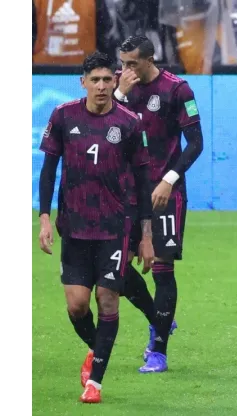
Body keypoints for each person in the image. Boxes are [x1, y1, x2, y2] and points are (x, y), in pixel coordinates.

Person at [37, 51, 154, 403]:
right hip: (73, 227)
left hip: (114, 228)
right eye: (96, 80)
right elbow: (48, 171)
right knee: (76, 307)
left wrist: (145, 236)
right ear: (83, 82)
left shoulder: (130, 123)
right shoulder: (62, 116)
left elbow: (144, 181)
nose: (102, 86)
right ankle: (97, 351)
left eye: (108, 79)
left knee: (107, 300)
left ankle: (96, 383)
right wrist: (44, 217)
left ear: (115, 81)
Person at [115, 35, 205, 373]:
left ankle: (159, 350)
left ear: (150, 58)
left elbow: (195, 142)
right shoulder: (119, 87)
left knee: (163, 269)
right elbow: (101, 123)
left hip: (163, 192)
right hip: (125, 193)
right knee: (117, 270)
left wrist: (170, 178)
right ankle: (159, 317)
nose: (125, 69)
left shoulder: (177, 90)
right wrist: (119, 92)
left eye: (132, 63)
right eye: (122, 62)